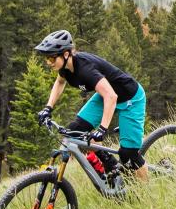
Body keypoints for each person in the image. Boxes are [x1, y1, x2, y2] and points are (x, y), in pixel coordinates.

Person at [33, 30, 148, 181]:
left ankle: (146, 189)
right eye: (47, 58)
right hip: (105, 95)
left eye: (52, 58)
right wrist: (48, 108)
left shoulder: (85, 69)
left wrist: (102, 129)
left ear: (66, 54)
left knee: (128, 154)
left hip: (130, 98)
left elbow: (111, 96)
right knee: (75, 130)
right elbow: (60, 83)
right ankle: (112, 167)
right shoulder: (66, 68)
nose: (49, 62)